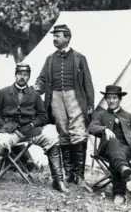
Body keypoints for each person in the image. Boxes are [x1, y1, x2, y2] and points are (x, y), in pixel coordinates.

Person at [0, 63, 69, 194]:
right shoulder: (3, 92)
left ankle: (58, 181)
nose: (22, 77)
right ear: (15, 75)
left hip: (31, 131)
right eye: (19, 74)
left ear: (29, 77)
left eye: (25, 75)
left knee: (53, 140)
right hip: (11, 132)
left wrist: (32, 125)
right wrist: (5, 125)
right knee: (1, 141)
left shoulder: (34, 95)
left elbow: (43, 116)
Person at [34, 24, 94, 187]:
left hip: (75, 97)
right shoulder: (50, 59)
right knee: (63, 134)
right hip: (56, 98)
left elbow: (87, 82)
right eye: (53, 36)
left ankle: (79, 175)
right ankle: (69, 174)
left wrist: (90, 103)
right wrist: (37, 87)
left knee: (79, 133)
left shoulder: (79, 58)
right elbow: (42, 78)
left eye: (57, 35)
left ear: (67, 37)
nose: (54, 38)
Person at [88, 85, 131, 204]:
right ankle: (119, 191)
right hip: (106, 148)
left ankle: (121, 170)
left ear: (120, 99)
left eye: (114, 98)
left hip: (126, 149)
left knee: (119, 153)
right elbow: (91, 127)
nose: (111, 101)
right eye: (108, 98)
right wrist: (105, 129)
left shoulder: (129, 116)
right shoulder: (100, 114)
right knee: (113, 141)